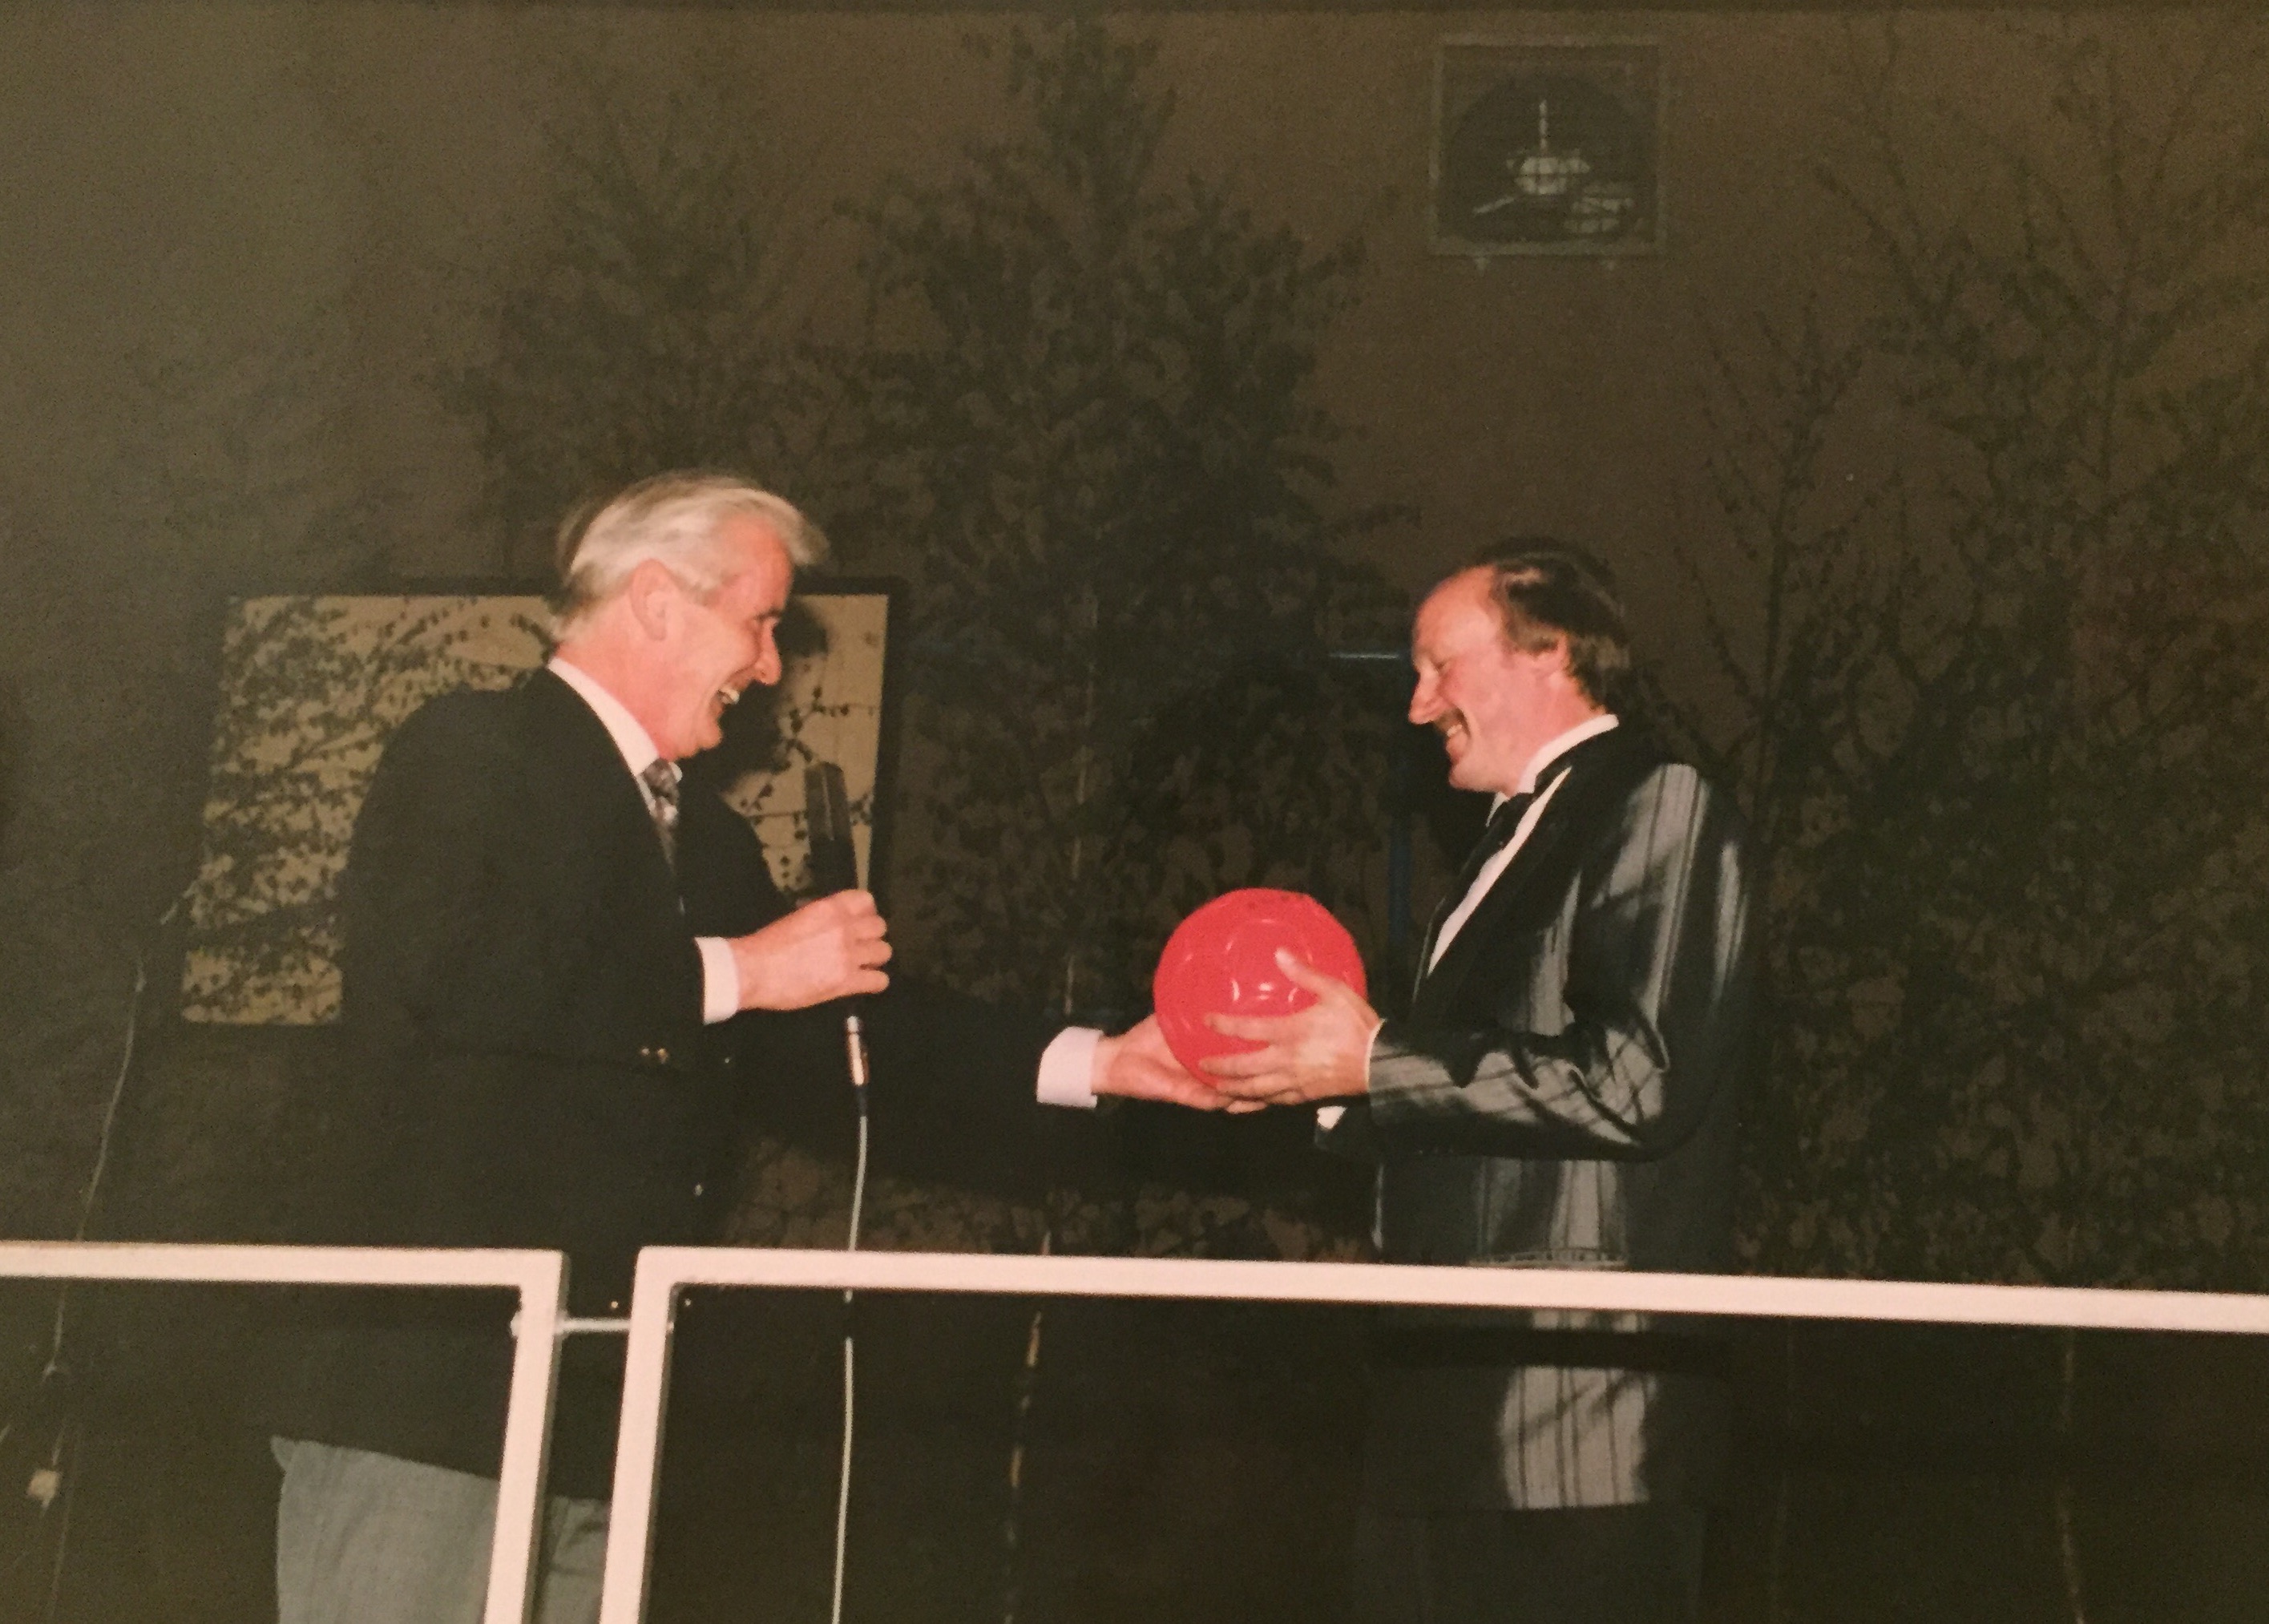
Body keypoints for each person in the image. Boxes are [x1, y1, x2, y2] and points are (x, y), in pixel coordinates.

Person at [1047, 543, 1756, 1623]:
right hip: (1438, 1417)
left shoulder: (1659, 799)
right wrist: (1318, 1088)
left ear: (1551, 652)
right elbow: (1478, 1124)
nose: (1418, 705)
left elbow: (1638, 1078)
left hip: (1579, 1429)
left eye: (1438, 666)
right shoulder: (1492, 855)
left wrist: (1377, 1057)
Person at [248, 472, 891, 1624]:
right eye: (759, 623)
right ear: (656, 600)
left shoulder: (711, 845)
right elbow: (465, 978)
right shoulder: (470, 752)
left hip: (602, 1412)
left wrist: (1105, 1061)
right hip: (428, 1399)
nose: (769, 667)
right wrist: (741, 971)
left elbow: (840, 1030)